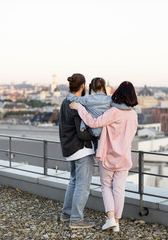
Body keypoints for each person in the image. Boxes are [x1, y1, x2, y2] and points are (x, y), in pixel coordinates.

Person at [70, 81, 138, 232]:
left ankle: (111, 219)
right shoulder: (133, 115)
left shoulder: (113, 112)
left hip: (108, 155)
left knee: (106, 186)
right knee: (119, 189)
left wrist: (80, 108)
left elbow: (93, 123)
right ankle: (117, 223)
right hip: (124, 157)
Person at [58, 73, 97, 229]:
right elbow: (82, 132)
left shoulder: (64, 102)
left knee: (74, 182)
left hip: (69, 149)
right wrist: (96, 136)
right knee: (83, 185)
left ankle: (66, 214)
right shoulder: (77, 105)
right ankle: (76, 219)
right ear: (83, 86)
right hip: (82, 149)